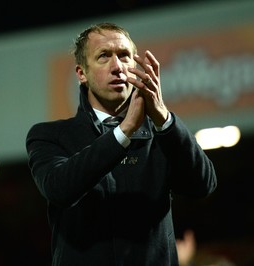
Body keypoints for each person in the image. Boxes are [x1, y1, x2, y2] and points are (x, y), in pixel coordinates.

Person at [26, 22, 217, 266]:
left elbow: (203, 185)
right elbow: (59, 189)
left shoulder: (162, 133)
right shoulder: (50, 136)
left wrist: (164, 119)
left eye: (124, 56)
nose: (117, 67)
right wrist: (124, 131)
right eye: (104, 56)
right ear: (81, 73)